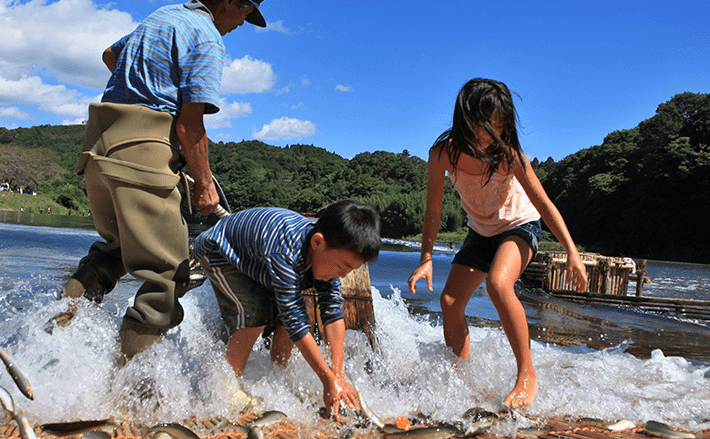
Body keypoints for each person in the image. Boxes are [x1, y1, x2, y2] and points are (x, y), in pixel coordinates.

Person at [59, 0, 268, 364]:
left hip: (99, 146)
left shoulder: (166, 15)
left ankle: (52, 338)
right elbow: (190, 124)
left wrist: (144, 87)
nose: (242, 24)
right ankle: (129, 393)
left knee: (119, 251)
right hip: (142, 150)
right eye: (246, 14)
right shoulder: (208, 38)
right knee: (170, 275)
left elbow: (111, 55)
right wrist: (204, 184)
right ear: (235, 3)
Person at [407, 78, 588, 408]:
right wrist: (426, 256)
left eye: (501, 127)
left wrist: (571, 251)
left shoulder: (510, 157)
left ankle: (527, 374)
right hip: (481, 232)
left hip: (520, 225)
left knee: (498, 284)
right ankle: (458, 381)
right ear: (466, 119)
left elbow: (544, 203)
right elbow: (433, 209)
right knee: (450, 302)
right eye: (486, 126)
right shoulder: (443, 154)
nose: (493, 136)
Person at [193, 200, 381, 419]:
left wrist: (337, 375)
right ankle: (224, 387)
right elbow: (295, 321)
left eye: (350, 270)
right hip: (221, 252)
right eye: (342, 267)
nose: (344, 275)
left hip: (259, 260)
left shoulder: (325, 256)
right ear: (318, 242)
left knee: (293, 318)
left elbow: (333, 314)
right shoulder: (286, 252)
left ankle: (276, 376)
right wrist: (326, 378)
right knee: (257, 314)